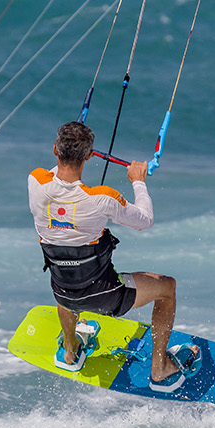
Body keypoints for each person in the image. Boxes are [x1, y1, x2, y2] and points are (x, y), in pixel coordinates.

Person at [28, 120, 198, 392]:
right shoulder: (102, 198)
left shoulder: (35, 182)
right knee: (167, 287)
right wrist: (139, 181)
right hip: (107, 296)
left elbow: (54, 175)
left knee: (68, 275)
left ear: (54, 150)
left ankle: (71, 351)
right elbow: (145, 220)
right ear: (89, 156)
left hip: (61, 291)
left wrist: (70, 151)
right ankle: (160, 369)